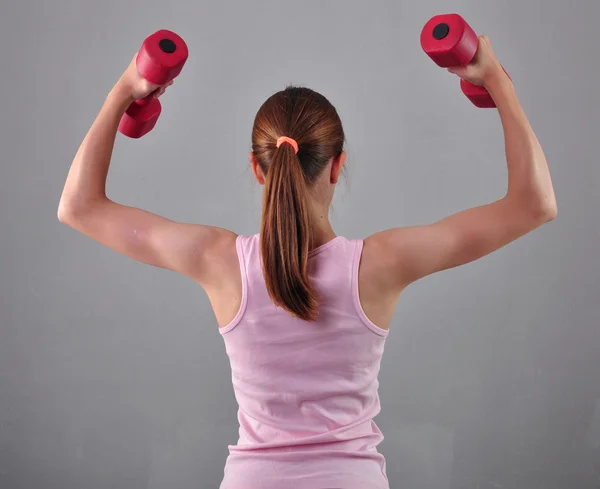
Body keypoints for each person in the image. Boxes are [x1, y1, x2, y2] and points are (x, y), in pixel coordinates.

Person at [58, 35, 556, 489]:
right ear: (338, 166)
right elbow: (534, 203)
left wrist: (125, 89)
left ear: (257, 167)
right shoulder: (381, 264)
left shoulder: (217, 261)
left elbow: (78, 207)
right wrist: (495, 81)